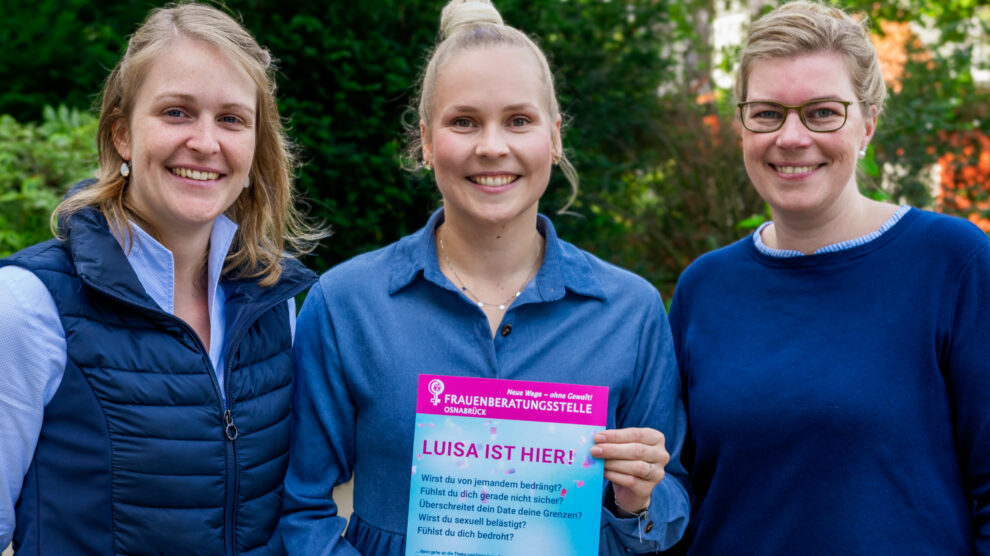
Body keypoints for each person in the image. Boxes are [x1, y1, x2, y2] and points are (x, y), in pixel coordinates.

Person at [278, 0, 689, 553]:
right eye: (464, 121)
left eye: (519, 120)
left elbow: (670, 511)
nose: (492, 146)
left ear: (555, 136)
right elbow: (301, 505)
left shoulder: (631, 312)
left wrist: (637, 500)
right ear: (426, 140)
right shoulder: (346, 303)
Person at [668, 1, 990, 553]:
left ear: (867, 123)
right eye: (767, 113)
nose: (791, 137)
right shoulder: (704, 288)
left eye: (822, 112)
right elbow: (677, 493)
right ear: (743, 125)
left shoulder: (952, 261)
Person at [0, 3, 322, 554]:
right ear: (122, 135)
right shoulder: (30, 304)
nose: (205, 142)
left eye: (231, 119)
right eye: (176, 112)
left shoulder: (274, 300)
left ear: (254, 146)